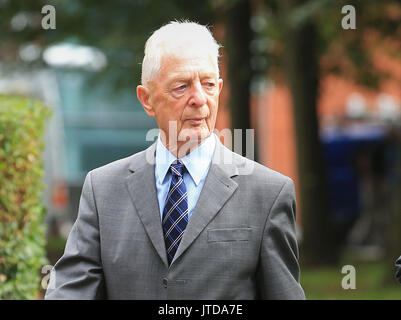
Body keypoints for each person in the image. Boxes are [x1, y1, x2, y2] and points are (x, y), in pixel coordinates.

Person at [45, 21, 305, 300]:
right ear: (147, 100)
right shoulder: (102, 189)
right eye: (181, 87)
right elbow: (70, 292)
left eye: (207, 85)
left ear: (219, 88)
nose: (199, 99)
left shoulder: (268, 194)